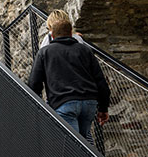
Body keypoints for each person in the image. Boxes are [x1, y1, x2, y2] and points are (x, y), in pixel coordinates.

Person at [28, 10, 110, 146]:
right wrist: (103, 107)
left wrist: (37, 107)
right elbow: (100, 80)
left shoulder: (45, 52)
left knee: (72, 146)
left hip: (64, 101)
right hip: (89, 102)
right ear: (71, 31)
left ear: (52, 35)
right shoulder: (84, 49)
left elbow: (34, 83)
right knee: (85, 140)